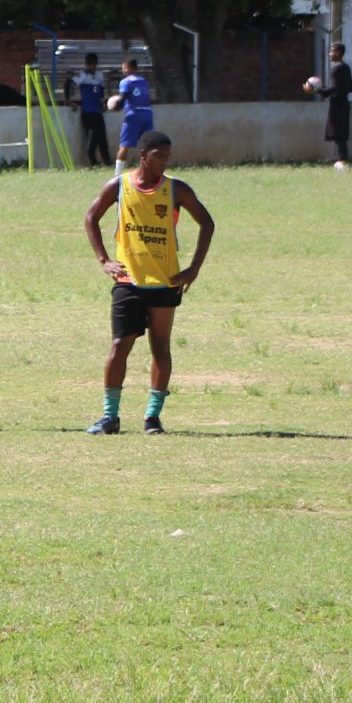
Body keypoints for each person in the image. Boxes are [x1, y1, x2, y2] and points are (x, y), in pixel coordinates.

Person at [81, 132, 215, 436]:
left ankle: (152, 417)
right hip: (128, 279)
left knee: (160, 347)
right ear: (142, 154)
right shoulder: (120, 185)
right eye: (159, 155)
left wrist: (193, 269)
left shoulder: (175, 189)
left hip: (165, 281)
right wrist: (104, 260)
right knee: (119, 346)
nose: (165, 161)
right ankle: (109, 416)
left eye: (168, 155)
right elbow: (90, 217)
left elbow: (207, 223)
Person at [309, 43, 352, 168]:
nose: (330, 54)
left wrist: (316, 90)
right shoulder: (346, 68)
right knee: (341, 134)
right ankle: (341, 160)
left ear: (338, 53)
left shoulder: (336, 69)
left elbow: (333, 88)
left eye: (332, 51)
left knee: (338, 134)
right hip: (344, 103)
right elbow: (350, 88)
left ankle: (342, 161)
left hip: (337, 104)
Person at [71, 52, 112, 167]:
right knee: (92, 138)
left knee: (102, 139)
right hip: (88, 112)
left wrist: (103, 102)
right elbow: (68, 83)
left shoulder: (99, 76)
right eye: (90, 65)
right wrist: (69, 100)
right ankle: (93, 162)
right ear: (86, 64)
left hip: (98, 111)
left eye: (93, 64)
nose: (92, 67)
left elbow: (101, 91)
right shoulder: (83, 76)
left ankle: (107, 162)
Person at [110, 57, 154, 157]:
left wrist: (114, 106)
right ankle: (148, 170)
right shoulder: (143, 81)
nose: (122, 70)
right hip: (148, 113)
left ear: (126, 67)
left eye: (122, 67)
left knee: (124, 145)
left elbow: (122, 99)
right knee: (148, 145)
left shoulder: (125, 82)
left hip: (134, 114)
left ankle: (118, 172)